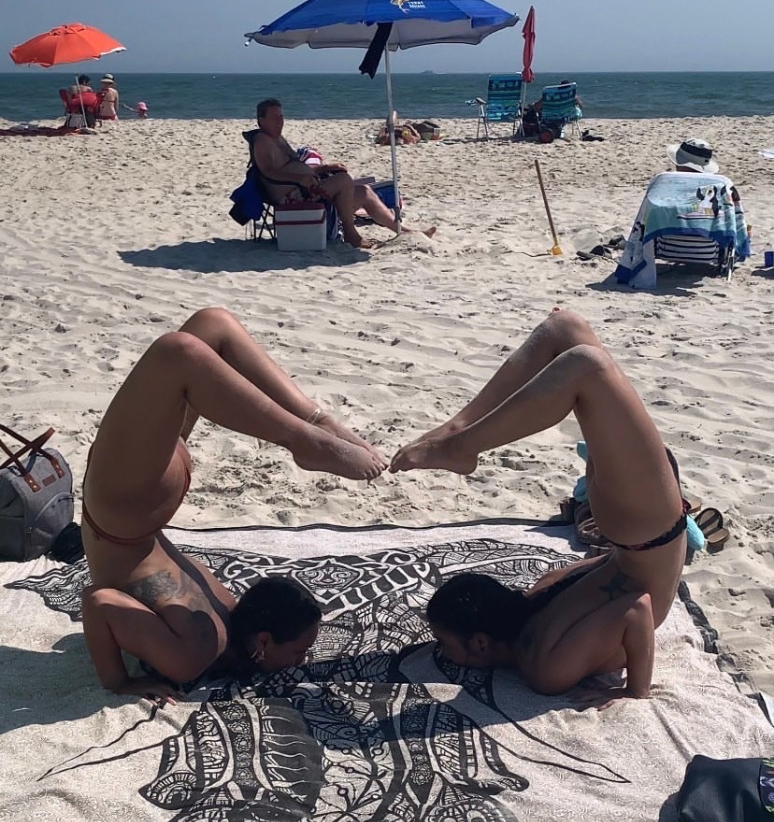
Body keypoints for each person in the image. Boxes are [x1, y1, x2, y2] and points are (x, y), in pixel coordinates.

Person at [81, 305, 387, 703]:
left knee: (196, 341)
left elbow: (104, 599)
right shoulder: (201, 644)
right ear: (263, 641)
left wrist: (121, 673)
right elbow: (102, 600)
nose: (302, 660)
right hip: (126, 510)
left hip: (134, 507)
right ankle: (306, 435)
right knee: (199, 337)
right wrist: (121, 673)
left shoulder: (212, 630)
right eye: (299, 651)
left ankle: (313, 428)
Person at [391, 308, 687, 704]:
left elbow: (630, 597)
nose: (442, 652)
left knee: (566, 332)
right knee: (582, 361)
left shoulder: (544, 647)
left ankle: (460, 440)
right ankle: (459, 438)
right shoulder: (541, 629)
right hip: (639, 530)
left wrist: (636, 689)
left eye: (444, 643)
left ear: (479, 641)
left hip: (643, 531)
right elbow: (627, 597)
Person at [250, 98, 435, 250]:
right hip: (291, 197)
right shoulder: (262, 141)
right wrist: (299, 178)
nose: (279, 122)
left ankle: (405, 231)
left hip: (306, 188)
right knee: (344, 180)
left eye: (281, 117)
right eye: (274, 118)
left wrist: (325, 168)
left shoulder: (278, 139)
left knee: (364, 192)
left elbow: (296, 166)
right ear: (261, 121)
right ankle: (350, 233)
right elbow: (269, 172)